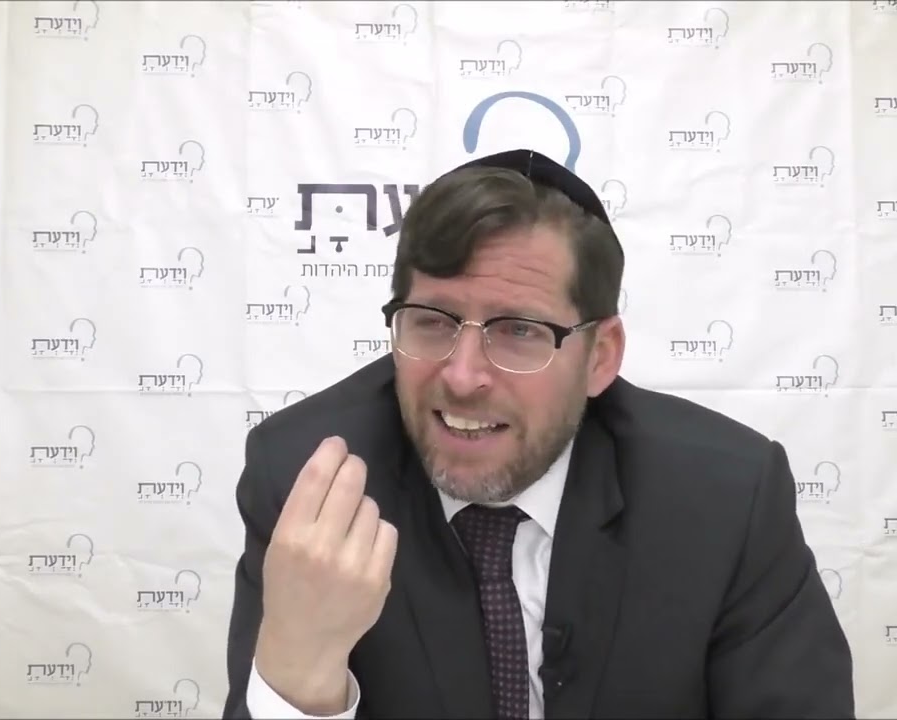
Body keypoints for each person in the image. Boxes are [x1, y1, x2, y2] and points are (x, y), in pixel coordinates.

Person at [222, 149, 855, 719]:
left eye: (519, 331)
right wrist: (300, 669)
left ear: (600, 356)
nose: (462, 376)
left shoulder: (727, 497)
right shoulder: (308, 482)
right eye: (432, 321)